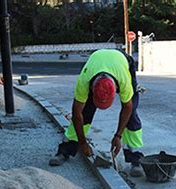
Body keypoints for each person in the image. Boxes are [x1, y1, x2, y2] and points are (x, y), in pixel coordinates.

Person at [49, 49, 144, 177]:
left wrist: (118, 136)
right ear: (92, 90)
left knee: (131, 114)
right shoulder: (84, 80)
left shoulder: (124, 80)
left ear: (116, 89)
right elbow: (77, 113)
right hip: (97, 63)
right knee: (85, 113)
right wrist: (83, 143)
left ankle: (135, 157)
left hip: (122, 62)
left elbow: (127, 107)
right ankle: (66, 149)